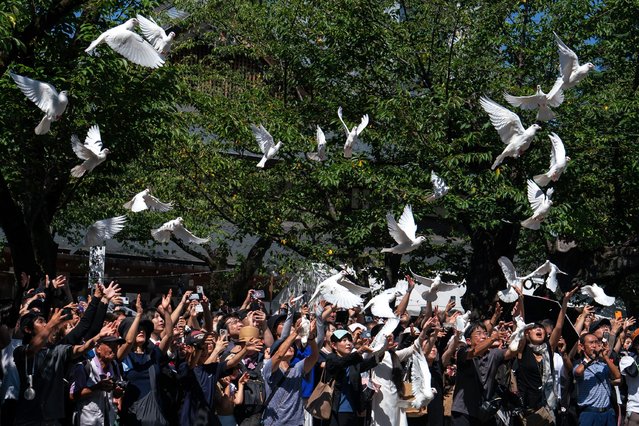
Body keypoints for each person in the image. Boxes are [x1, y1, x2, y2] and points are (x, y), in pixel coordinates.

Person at [450, 296, 522, 426]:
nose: (483, 335)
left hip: (483, 413)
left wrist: (519, 323)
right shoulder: (463, 352)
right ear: (468, 341)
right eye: (478, 333)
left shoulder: (493, 354)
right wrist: (492, 338)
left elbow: (513, 351)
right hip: (462, 412)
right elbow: (475, 352)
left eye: (484, 333)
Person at [261, 319, 318, 426]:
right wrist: (295, 332)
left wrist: (310, 337)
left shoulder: (297, 369)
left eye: (292, 346)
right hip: (275, 422)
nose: (290, 347)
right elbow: (278, 355)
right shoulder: (269, 368)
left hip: (297, 422)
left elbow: (314, 356)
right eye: (287, 346)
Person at [69, 335, 125, 426]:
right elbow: (72, 396)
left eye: (117, 345)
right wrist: (97, 387)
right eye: (111, 345)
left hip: (109, 420)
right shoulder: (84, 366)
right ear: (98, 348)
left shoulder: (115, 366)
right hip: (87, 421)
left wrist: (118, 392)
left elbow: (116, 394)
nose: (115, 349)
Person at [573, 333, 621, 426]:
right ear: (582, 346)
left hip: (607, 412)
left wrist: (606, 357)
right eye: (591, 343)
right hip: (589, 413)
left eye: (596, 342)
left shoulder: (602, 364)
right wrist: (592, 357)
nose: (595, 345)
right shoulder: (578, 364)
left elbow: (617, 376)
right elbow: (578, 372)